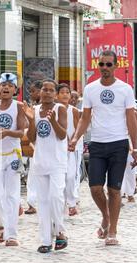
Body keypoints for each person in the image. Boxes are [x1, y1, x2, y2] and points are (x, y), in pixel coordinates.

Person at [69, 50, 137, 246]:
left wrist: (135, 147)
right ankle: (106, 217)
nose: (105, 68)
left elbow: (131, 119)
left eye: (109, 64)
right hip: (98, 144)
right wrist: (75, 138)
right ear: (97, 66)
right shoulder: (90, 89)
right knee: (95, 188)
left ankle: (113, 231)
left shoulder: (125, 89)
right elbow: (85, 118)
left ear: (115, 66)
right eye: (102, 64)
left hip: (119, 144)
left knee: (114, 190)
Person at [25, 79, 69, 253]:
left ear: (56, 94)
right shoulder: (34, 110)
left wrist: (53, 122)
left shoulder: (60, 109)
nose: (48, 92)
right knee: (42, 202)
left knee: (55, 197)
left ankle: (60, 232)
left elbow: (62, 135)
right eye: (45, 89)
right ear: (40, 92)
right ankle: (45, 240)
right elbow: (32, 138)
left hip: (57, 162)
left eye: (51, 90)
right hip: (40, 162)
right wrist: (31, 120)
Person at [0, 73, 27, 246]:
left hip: (14, 154)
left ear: (15, 89)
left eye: (10, 85)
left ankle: (12, 235)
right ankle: (2, 226)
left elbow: (21, 132)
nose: (6, 87)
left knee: (12, 194)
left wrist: (7, 132)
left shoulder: (19, 106)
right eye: (3, 85)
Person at [57, 83, 81, 216]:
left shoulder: (73, 110)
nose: (65, 94)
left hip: (71, 148)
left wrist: (73, 140)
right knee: (60, 176)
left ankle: (72, 202)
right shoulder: (54, 109)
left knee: (71, 176)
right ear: (57, 95)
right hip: (57, 148)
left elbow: (78, 128)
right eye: (62, 92)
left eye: (67, 92)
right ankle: (62, 202)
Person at [24, 80, 43, 215]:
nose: (31, 94)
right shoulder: (33, 108)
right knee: (32, 177)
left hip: (47, 149)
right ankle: (31, 203)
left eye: (33, 91)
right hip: (34, 147)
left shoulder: (49, 109)